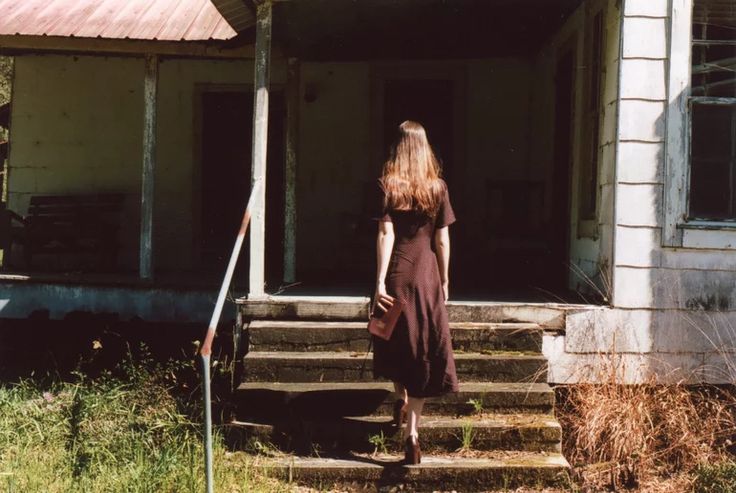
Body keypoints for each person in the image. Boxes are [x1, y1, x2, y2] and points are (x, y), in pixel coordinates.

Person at [371, 120, 459, 465]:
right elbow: (442, 239)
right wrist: (446, 278)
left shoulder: (387, 185)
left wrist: (379, 281)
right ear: (425, 149)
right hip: (426, 276)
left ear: (398, 147)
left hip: (397, 273)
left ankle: (401, 398)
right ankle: (413, 435)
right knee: (423, 347)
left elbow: (385, 236)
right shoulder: (438, 188)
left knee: (395, 341)